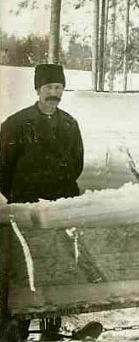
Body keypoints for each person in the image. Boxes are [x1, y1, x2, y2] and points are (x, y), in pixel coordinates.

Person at [0, 64, 84, 341]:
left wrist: (61, 193)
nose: (54, 93)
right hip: (25, 212)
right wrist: (20, 196)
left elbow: (76, 165)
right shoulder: (15, 125)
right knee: (23, 269)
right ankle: (17, 328)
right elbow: (2, 168)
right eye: (48, 88)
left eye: (58, 88)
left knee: (57, 268)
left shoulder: (70, 124)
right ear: (37, 90)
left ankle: (52, 327)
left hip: (60, 209)